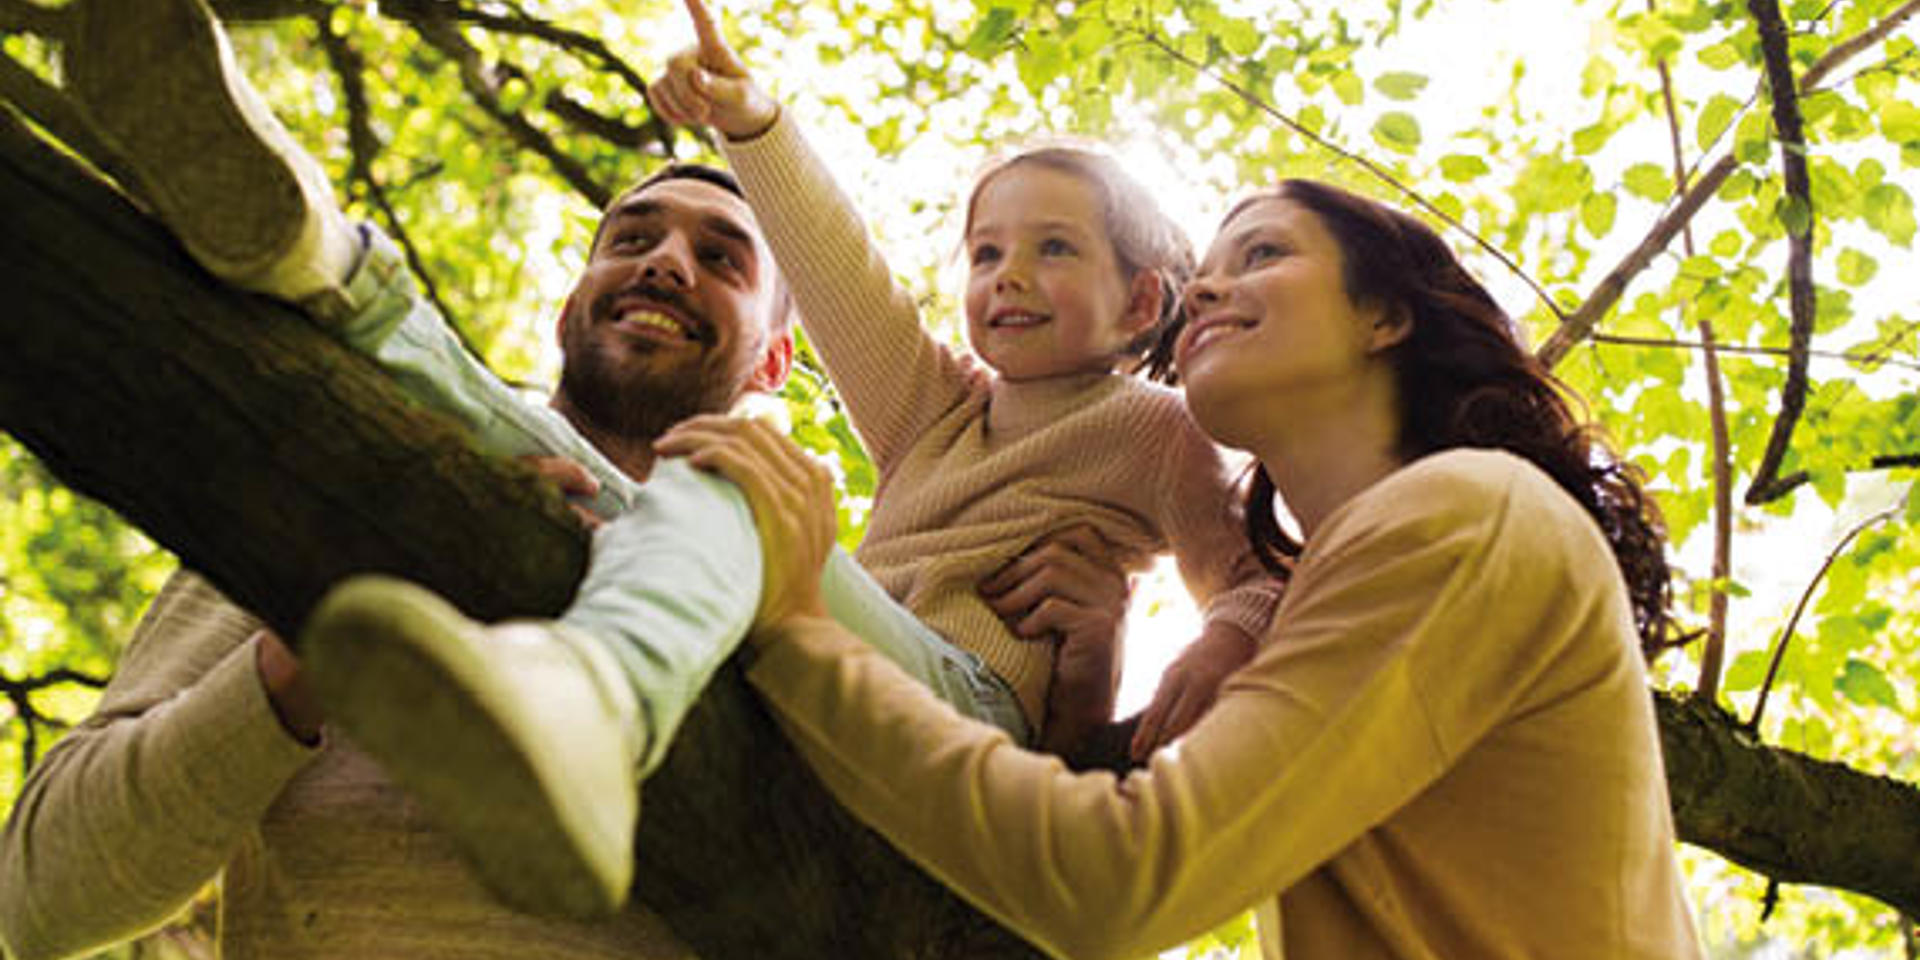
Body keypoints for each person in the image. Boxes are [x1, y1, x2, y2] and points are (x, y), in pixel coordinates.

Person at [0, 0, 1129, 952]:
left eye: (722, 257)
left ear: (780, 357)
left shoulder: (806, 614)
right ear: (568, 299)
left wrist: (1088, 690)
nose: (667, 261)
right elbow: (38, 898)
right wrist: (314, 656)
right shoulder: (339, 485)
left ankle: (340, 275)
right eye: (631, 237)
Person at [665, 176, 1708, 958]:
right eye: (1211, 263)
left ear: (1385, 314)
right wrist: (1082, 706)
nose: (1210, 283)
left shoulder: (1468, 512)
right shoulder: (1348, 599)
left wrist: (798, 623)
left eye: (1259, 254)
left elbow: (1119, 878)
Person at [648, 0, 1283, 757]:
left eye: (1053, 248)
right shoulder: (932, 408)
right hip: (826, 656)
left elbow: (1262, 574)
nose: (1009, 276)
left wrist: (1219, 645)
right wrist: (753, 122)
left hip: (963, 693)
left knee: (742, 492)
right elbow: (838, 270)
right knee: (659, 500)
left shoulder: (1155, 427)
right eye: (987, 255)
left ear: (1140, 302)